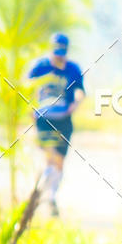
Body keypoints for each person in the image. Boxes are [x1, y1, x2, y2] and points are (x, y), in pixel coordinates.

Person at [27, 33, 84, 216]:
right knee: (50, 158)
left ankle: (50, 196)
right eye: (56, 52)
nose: (59, 56)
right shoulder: (40, 67)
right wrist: (30, 108)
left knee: (59, 161)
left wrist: (75, 105)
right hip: (44, 119)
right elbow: (26, 88)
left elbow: (80, 92)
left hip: (64, 119)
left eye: (62, 53)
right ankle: (40, 195)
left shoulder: (73, 69)